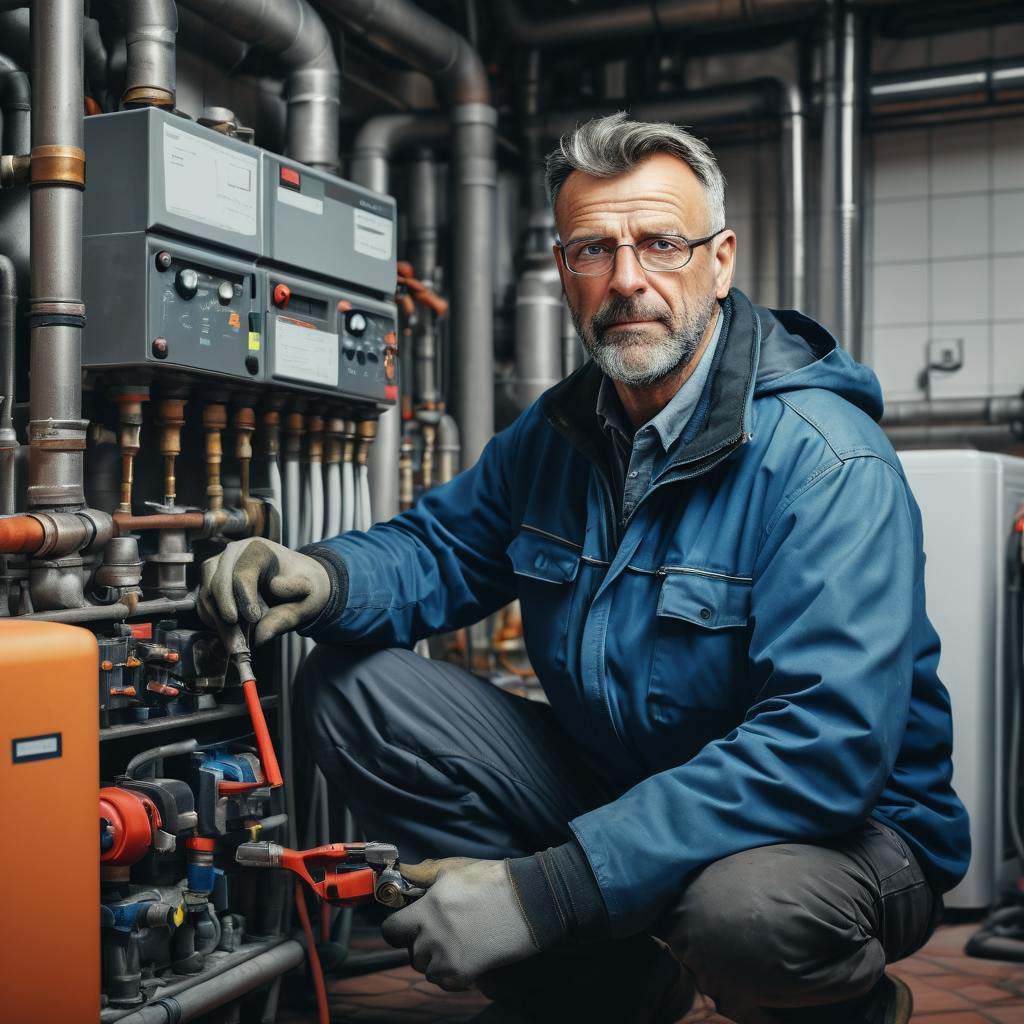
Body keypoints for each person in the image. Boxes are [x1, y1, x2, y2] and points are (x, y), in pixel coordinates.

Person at [200, 113, 970, 1024]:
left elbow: (823, 750)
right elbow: (445, 549)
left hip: (843, 833)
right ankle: (607, 995)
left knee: (745, 914)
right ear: (564, 273)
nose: (628, 280)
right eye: (592, 250)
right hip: (630, 778)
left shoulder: (826, 462)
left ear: (720, 262)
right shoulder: (562, 432)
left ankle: (850, 1009)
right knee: (355, 689)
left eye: (661, 244)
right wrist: (322, 575)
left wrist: (541, 894)